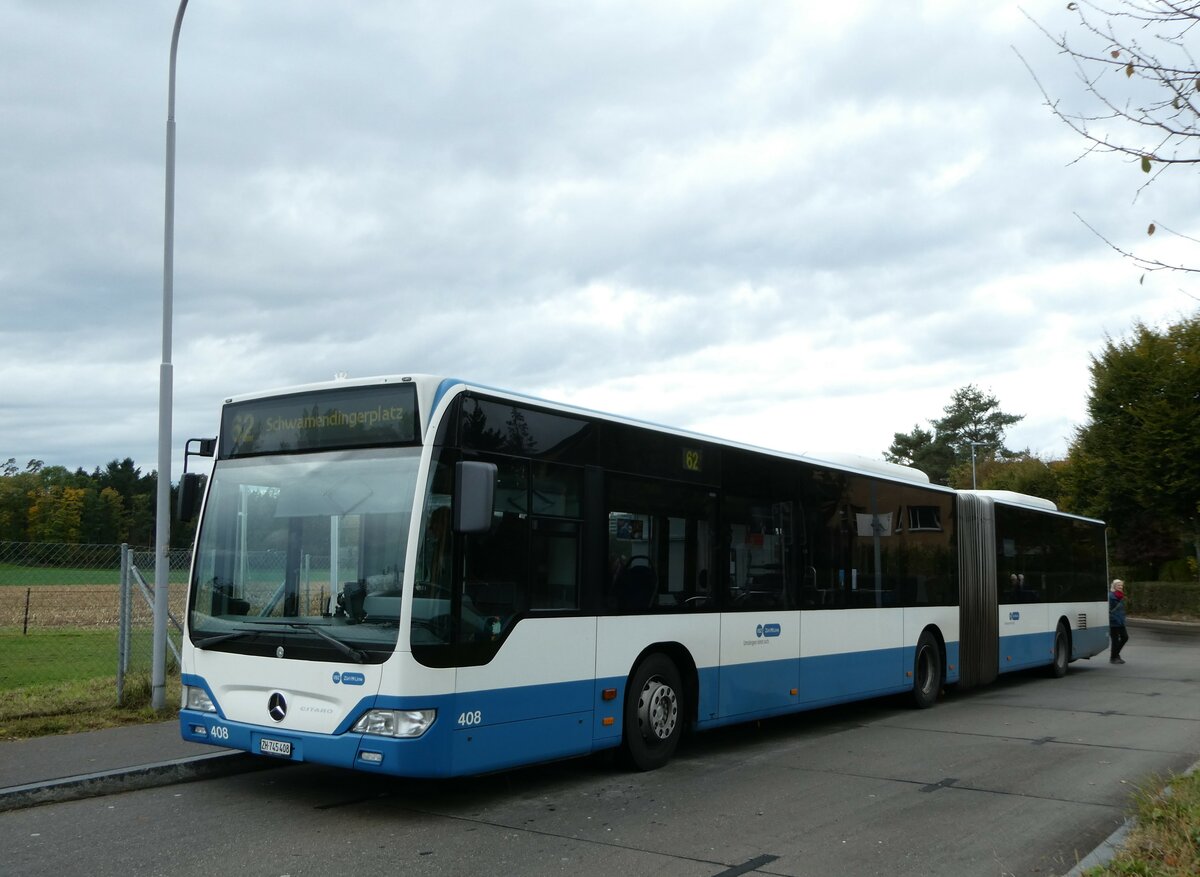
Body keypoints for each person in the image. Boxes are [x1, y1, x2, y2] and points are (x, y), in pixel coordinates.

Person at [1109, 579, 1129, 664]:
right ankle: (1114, 657)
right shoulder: (1110, 596)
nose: (1120, 587)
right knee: (1115, 640)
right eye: (1118, 585)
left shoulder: (1120, 595)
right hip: (1113, 621)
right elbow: (1108, 609)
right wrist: (1113, 618)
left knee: (1125, 637)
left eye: (1121, 585)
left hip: (1120, 620)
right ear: (1114, 586)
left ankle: (1115, 655)